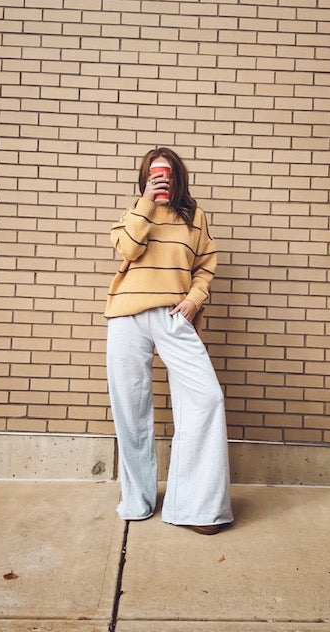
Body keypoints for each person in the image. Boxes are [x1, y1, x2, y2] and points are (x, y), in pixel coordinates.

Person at [105, 147, 233, 535]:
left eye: (167, 173)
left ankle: (197, 507)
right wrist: (146, 202)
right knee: (131, 410)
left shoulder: (195, 217)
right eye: (154, 174)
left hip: (173, 315)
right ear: (145, 178)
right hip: (127, 314)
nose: (162, 179)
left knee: (206, 398)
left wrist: (195, 299)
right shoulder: (134, 213)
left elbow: (205, 267)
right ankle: (138, 500)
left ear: (178, 176)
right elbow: (128, 249)